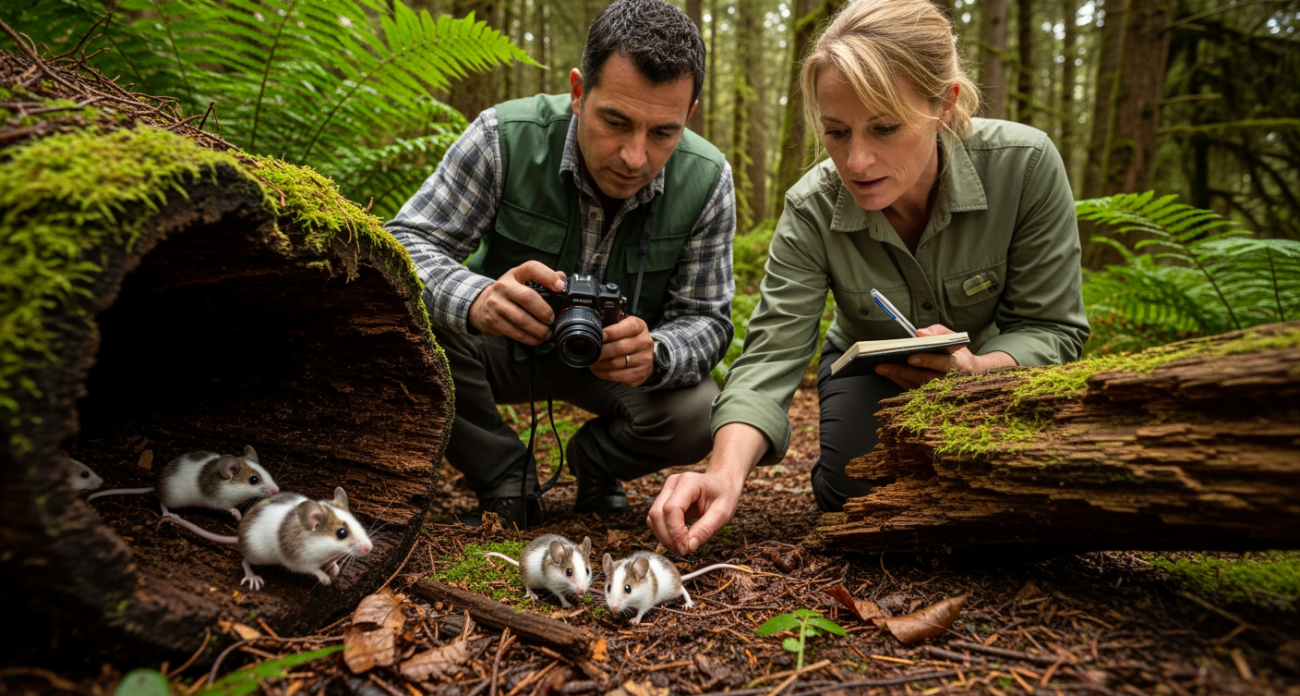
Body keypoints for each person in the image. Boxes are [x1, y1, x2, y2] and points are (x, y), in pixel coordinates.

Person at [646, 0, 1089, 555]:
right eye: (835, 132)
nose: (856, 161)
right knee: (857, 494)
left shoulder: (1023, 167)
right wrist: (723, 473)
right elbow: (770, 356)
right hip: (872, 371)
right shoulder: (812, 207)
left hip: (997, 374)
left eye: (884, 128)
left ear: (945, 104)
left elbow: (1051, 327)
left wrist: (977, 369)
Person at [386, 0, 735, 530]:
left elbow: (709, 317)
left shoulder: (707, 179)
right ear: (578, 92)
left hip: (613, 369)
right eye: (615, 121)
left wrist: (656, 354)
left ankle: (594, 462)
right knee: (407, 334)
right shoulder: (503, 138)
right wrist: (476, 299)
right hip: (504, 348)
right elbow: (404, 243)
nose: (634, 157)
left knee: (703, 412)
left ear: (688, 116)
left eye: (663, 133)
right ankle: (504, 474)